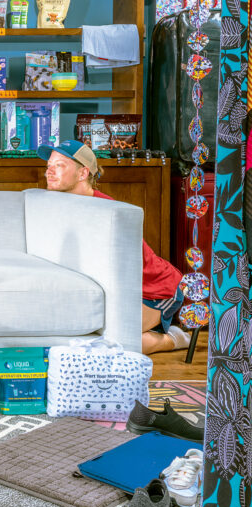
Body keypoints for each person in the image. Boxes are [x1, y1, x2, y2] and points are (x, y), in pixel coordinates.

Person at [38, 139, 189, 355]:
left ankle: (173, 338)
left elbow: (116, 270)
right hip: (116, 292)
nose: (49, 172)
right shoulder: (60, 206)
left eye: (59, 165)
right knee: (86, 341)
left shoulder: (106, 211)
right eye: (48, 166)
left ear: (83, 174)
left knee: (117, 344)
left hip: (156, 291)